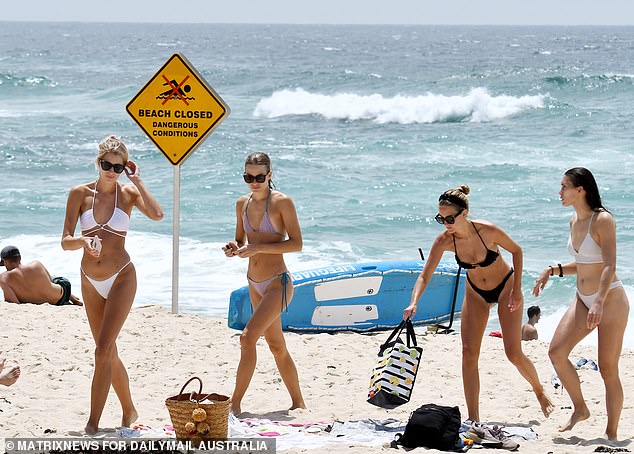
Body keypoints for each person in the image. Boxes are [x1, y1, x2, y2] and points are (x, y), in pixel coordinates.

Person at [403, 185, 553, 423]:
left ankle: (538, 389)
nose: (445, 223)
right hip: (475, 293)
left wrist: (516, 290)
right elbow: (425, 275)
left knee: (513, 353)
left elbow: (517, 250)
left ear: (464, 214)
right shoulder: (444, 241)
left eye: (449, 218)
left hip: (505, 287)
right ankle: (474, 418)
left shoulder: (487, 231)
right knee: (468, 353)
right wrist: (413, 303)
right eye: (440, 218)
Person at [61, 135, 163, 434]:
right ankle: (129, 409)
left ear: (124, 168)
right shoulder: (80, 194)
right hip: (89, 280)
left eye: (118, 167)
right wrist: (83, 240)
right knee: (107, 350)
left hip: (122, 277)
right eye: (107, 165)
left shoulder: (128, 194)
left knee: (102, 351)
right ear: (98, 162)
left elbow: (157, 215)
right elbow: (65, 242)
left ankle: (92, 425)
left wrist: (139, 181)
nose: (112, 171)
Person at [533, 167, 629, 441]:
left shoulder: (603, 220)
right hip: (583, 299)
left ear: (580, 190)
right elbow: (586, 264)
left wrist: (599, 301)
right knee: (556, 352)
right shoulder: (574, 221)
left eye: (564, 187)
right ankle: (581, 408)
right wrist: (552, 270)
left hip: (609, 300)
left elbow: (609, 264)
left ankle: (611, 434)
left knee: (608, 368)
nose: (560, 192)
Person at [223, 152, 306, 415]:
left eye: (260, 176)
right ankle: (299, 403)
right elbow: (239, 240)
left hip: (277, 284)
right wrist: (232, 248)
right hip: (253, 282)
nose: (254, 181)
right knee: (276, 346)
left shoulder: (282, 202)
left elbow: (296, 244)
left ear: (269, 175)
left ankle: (233, 406)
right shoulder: (242, 203)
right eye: (249, 177)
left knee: (247, 339)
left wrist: (256, 248)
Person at [0, 245, 82, 306]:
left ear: (4, 261)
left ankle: (72, 298)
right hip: (61, 297)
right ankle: (73, 298)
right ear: (20, 258)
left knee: (52, 280)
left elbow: (14, 302)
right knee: (54, 279)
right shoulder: (36, 264)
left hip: (42, 303)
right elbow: (50, 281)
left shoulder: (3, 278)